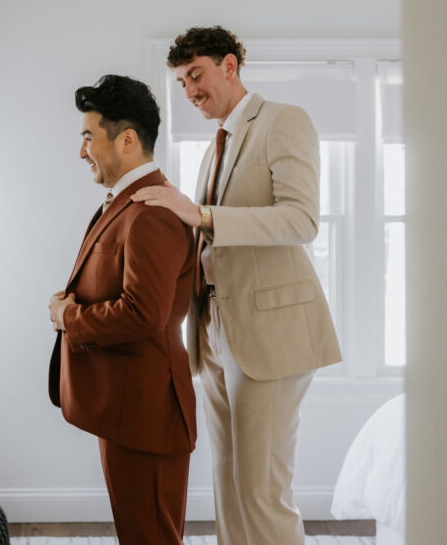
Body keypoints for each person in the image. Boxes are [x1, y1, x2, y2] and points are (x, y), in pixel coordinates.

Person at [132, 27, 343, 545]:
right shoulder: (214, 148)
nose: (189, 91)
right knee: (227, 489)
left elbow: (300, 220)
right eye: (181, 82)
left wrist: (200, 214)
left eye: (196, 76)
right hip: (214, 337)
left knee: (261, 493)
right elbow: (210, 239)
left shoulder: (282, 122)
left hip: (271, 337)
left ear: (230, 66)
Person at [47, 74, 197, 545]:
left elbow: (142, 314)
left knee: (151, 538)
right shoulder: (128, 203)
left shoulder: (151, 212)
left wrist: (66, 318)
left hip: (146, 412)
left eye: (88, 137)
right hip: (128, 408)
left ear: (127, 140)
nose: (82, 151)